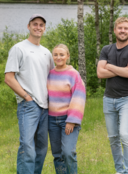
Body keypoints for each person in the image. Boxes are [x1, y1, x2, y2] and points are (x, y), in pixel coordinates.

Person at [4, 14, 54, 174]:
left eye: (41, 25)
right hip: (28, 106)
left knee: (41, 148)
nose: (38, 27)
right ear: (28, 26)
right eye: (35, 24)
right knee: (27, 146)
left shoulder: (46, 53)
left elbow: (54, 77)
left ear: (44, 29)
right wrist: (26, 97)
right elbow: (9, 78)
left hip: (46, 107)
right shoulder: (19, 48)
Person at [97, 17, 128, 174]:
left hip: (127, 99)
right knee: (113, 138)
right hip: (108, 99)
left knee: (124, 135)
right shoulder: (106, 49)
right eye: (120, 28)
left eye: (126, 28)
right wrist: (120, 69)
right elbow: (100, 73)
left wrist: (109, 66)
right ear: (115, 30)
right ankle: (119, 171)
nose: (122, 31)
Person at [47, 44, 86, 174]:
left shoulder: (73, 74)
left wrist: (71, 120)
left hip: (68, 120)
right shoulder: (50, 74)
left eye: (62, 55)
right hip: (52, 120)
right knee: (57, 154)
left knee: (68, 152)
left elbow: (79, 98)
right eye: (56, 54)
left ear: (67, 56)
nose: (58, 57)